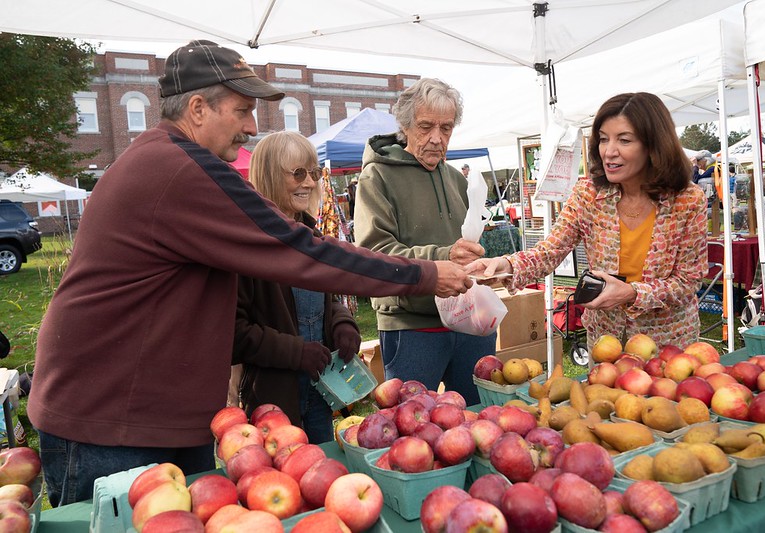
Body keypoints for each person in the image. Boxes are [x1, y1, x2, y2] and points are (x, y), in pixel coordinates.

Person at [27, 40, 472, 507]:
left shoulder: (169, 159)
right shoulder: (178, 169)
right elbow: (300, 249)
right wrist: (424, 274)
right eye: (241, 110)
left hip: (146, 414)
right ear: (198, 108)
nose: (250, 126)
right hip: (113, 424)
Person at [466, 92, 708, 352]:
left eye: (624, 140)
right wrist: (505, 265)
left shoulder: (687, 200)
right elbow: (549, 252)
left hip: (668, 344)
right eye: (603, 139)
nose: (609, 152)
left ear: (654, 145)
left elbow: (688, 282)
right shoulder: (588, 194)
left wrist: (632, 293)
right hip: (606, 341)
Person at [354, 78, 494, 407]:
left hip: (467, 319)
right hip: (412, 326)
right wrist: (443, 256)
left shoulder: (456, 178)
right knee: (412, 426)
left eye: (446, 128)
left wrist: (483, 264)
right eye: (426, 126)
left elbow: (464, 242)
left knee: (479, 418)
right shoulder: (377, 177)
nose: (436, 138)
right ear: (404, 126)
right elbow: (375, 255)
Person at [232, 131, 360, 443]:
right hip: (274, 402)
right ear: (269, 176)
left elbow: (322, 302)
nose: (309, 183)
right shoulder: (249, 245)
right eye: (298, 173)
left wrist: (342, 322)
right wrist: (296, 352)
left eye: (314, 173)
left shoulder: (312, 238)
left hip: (323, 393)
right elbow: (233, 332)